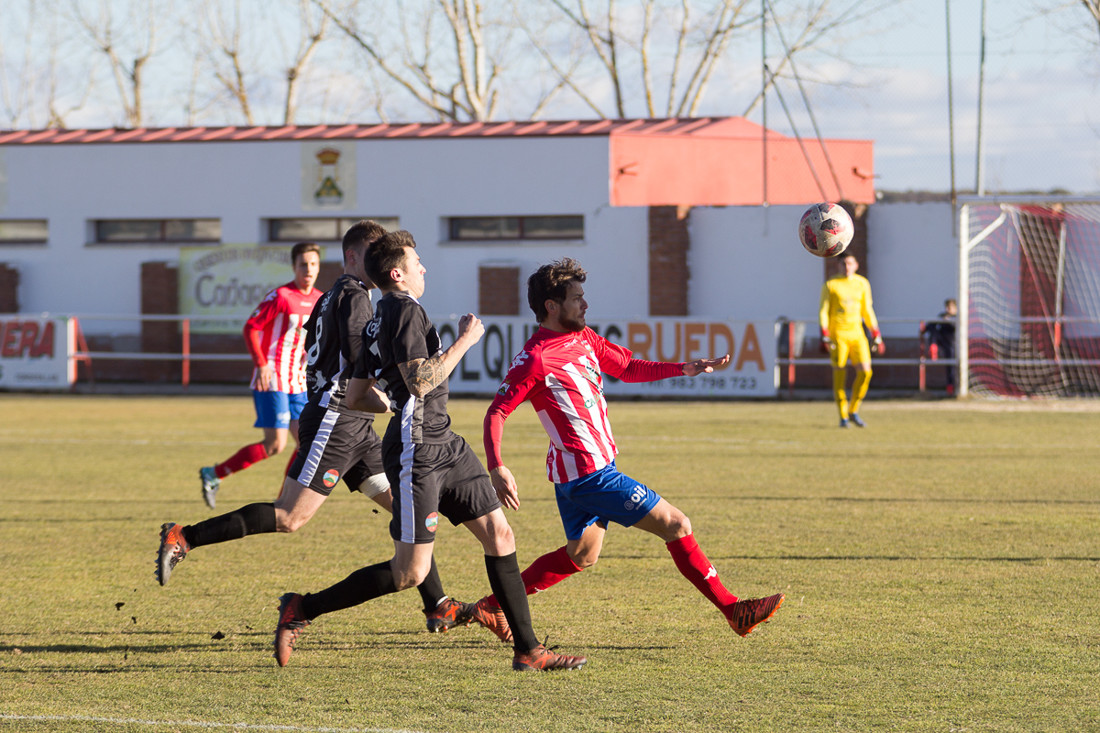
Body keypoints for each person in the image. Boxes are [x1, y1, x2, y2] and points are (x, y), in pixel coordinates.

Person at [272, 230, 586, 672]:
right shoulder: (399, 311)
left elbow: (359, 392)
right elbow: (421, 380)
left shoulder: (382, 315)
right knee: (410, 573)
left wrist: (391, 401)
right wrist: (465, 341)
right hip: (417, 453)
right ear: (397, 272)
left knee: (500, 535)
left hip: (446, 443)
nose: (424, 267)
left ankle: (529, 651)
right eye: (417, 261)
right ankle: (303, 607)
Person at [157, 221, 476, 635]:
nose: (382, 260)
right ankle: (184, 536)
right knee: (289, 516)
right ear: (352, 257)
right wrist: (386, 393)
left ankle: (437, 603)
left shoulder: (331, 296)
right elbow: (360, 359)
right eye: (373, 252)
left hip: (354, 425)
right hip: (337, 418)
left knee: (405, 511)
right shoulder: (355, 298)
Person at [468, 258, 784, 643]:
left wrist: (683, 368)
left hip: (579, 472)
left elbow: (629, 367)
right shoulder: (536, 358)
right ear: (552, 306)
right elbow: (497, 411)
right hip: (589, 474)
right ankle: (734, 610)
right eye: (577, 298)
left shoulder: (583, 338)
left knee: (582, 554)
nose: (585, 305)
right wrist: (497, 466)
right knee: (676, 524)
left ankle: (493, 604)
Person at [198, 242, 322, 509]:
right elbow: (250, 328)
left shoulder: (320, 300)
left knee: (305, 444)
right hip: (272, 378)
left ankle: (283, 499)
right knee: (275, 444)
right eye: (303, 264)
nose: (308, 269)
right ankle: (213, 474)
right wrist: (262, 364)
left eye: (313, 264)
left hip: (298, 381)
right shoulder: (281, 296)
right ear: (294, 267)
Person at [819, 253, 884, 428]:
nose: (846, 267)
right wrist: (824, 333)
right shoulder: (831, 284)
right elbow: (824, 310)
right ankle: (843, 416)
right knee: (840, 374)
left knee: (865, 373)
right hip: (838, 335)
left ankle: (853, 410)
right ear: (838, 266)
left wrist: (875, 333)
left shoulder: (862, 283)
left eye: (849, 263)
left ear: (856, 265)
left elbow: (867, 310)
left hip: (857, 334)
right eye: (843, 264)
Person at [922, 297, 957, 396]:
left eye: (949, 307)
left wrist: (948, 321)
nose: (947, 310)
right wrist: (924, 328)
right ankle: (933, 346)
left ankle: (951, 387)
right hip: (940, 341)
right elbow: (932, 325)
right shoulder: (942, 315)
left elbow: (955, 327)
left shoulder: (957, 317)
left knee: (951, 367)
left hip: (951, 344)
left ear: (955, 308)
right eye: (946, 307)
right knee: (934, 330)